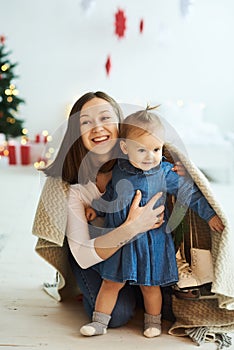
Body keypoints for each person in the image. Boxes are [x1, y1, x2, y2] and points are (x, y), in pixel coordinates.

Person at [79, 108, 224, 338]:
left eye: (156, 149)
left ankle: (152, 322)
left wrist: (210, 215)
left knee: (150, 286)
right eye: (142, 150)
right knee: (111, 283)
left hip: (151, 242)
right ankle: (99, 322)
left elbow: (191, 193)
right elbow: (111, 197)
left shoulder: (165, 172)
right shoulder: (119, 170)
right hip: (121, 240)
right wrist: (95, 209)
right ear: (125, 149)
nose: (150, 156)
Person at [34, 91, 168, 329]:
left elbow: (165, 157)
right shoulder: (74, 188)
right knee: (117, 315)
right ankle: (86, 287)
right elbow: (85, 256)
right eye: (86, 122)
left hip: (141, 251)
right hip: (93, 257)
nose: (97, 128)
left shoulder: (140, 159)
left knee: (166, 300)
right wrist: (134, 226)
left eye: (105, 118)